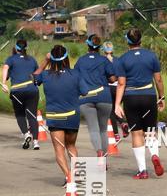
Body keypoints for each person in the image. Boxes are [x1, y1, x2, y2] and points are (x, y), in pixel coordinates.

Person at [114, 28, 164, 179]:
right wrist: (161, 98)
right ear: (141, 40)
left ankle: (142, 170)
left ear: (127, 41)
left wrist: (117, 104)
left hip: (131, 98)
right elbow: (159, 80)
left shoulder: (122, 59)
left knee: (136, 133)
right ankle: (154, 154)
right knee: (150, 131)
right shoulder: (151, 56)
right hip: (148, 96)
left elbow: (121, 84)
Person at [33, 45, 85, 182]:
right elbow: (84, 92)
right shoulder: (76, 73)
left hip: (55, 118)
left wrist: (45, 60)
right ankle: (76, 174)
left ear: (52, 59)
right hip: (72, 115)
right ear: (66, 58)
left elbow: (35, 76)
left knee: (59, 149)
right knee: (71, 146)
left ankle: (69, 177)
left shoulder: (45, 75)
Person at [73, 34, 116, 165]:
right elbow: (113, 79)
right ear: (99, 47)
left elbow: (75, 78)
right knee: (103, 129)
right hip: (104, 96)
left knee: (93, 129)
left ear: (88, 45)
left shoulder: (80, 61)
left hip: (86, 98)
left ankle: (98, 151)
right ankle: (104, 159)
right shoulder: (104, 60)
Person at [1, 39, 40, 150]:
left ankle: (26, 134)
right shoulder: (32, 59)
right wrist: (35, 84)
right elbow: (37, 74)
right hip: (32, 90)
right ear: (26, 48)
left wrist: (4, 83)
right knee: (32, 116)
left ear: (16, 48)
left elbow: (5, 68)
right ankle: (36, 142)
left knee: (20, 115)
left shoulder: (11, 59)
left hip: (17, 91)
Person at [101, 41, 126, 140]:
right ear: (113, 50)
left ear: (103, 50)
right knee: (117, 107)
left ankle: (116, 133)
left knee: (111, 111)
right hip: (119, 88)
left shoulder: (102, 61)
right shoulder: (118, 60)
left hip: (108, 88)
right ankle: (123, 123)